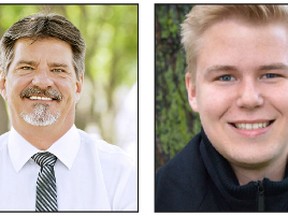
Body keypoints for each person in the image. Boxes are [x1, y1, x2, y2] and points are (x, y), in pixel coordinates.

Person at [156, 5, 288, 212]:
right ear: (193, 91)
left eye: (271, 75)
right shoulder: (155, 200)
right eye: (225, 77)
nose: (250, 99)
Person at [0, 13, 136, 211]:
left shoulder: (121, 175)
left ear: (78, 86)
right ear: (4, 84)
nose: (42, 81)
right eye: (27, 67)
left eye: (58, 70)